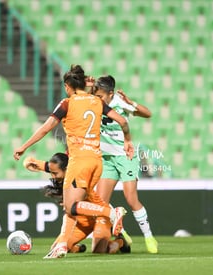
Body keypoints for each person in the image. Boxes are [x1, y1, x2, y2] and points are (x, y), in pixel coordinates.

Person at [14, 64, 134, 258]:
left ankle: (111, 214)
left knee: (70, 206)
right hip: (97, 162)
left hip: (79, 160)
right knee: (73, 206)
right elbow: (123, 121)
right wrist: (127, 141)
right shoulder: (96, 101)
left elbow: (46, 128)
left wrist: (23, 146)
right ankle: (63, 245)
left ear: (68, 86)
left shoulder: (67, 103)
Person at [92, 75, 158, 254]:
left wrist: (132, 103)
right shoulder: (94, 101)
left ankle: (148, 236)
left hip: (125, 157)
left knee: (131, 199)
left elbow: (148, 114)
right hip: (107, 159)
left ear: (110, 94)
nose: (98, 99)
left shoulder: (120, 103)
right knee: (101, 202)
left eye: (101, 97)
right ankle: (121, 232)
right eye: (96, 96)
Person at [23, 153, 131, 256]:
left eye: (55, 173)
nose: (53, 176)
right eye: (51, 173)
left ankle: (120, 241)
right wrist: (29, 163)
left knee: (99, 250)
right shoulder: (58, 169)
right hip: (82, 222)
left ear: (67, 170)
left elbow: (71, 210)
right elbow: (32, 162)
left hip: (99, 217)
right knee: (56, 247)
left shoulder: (78, 180)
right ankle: (78, 248)